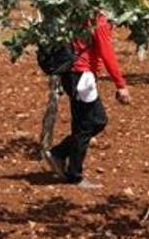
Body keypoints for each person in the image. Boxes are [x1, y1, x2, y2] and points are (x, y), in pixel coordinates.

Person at [44, 11, 132, 188]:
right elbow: (107, 53)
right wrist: (120, 85)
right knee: (94, 122)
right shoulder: (99, 21)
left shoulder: (79, 15)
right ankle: (72, 171)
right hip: (82, 76)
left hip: (72, 75)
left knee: (84, 123)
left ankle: (61, 157)